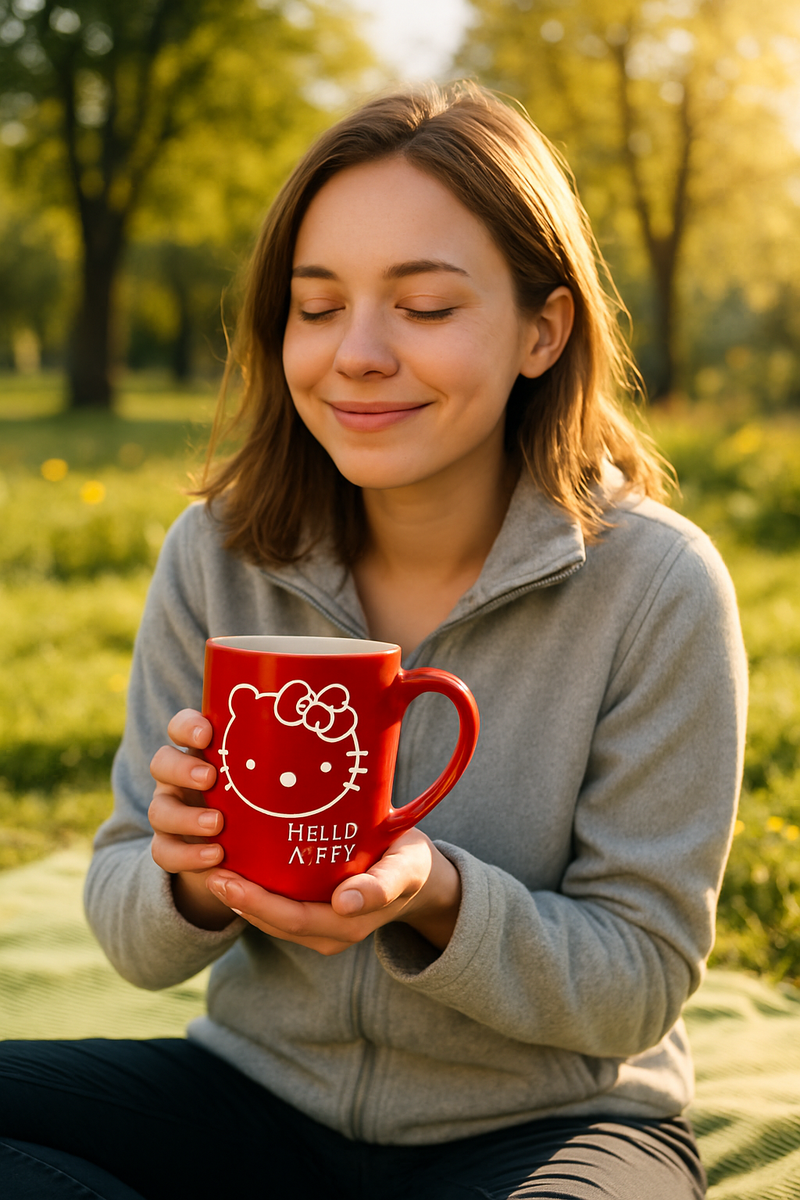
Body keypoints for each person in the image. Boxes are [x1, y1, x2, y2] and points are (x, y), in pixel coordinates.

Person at [0, 82, 747, 1199]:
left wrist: (437, 895)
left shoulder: (657, 587)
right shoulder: (217, 553)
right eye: (316, 306)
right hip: (260, 1100)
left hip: (551, 1126)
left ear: (542, 330)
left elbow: (638, 981)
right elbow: (126, 923)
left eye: (425, 307)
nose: (354, 353)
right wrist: (189, 879)